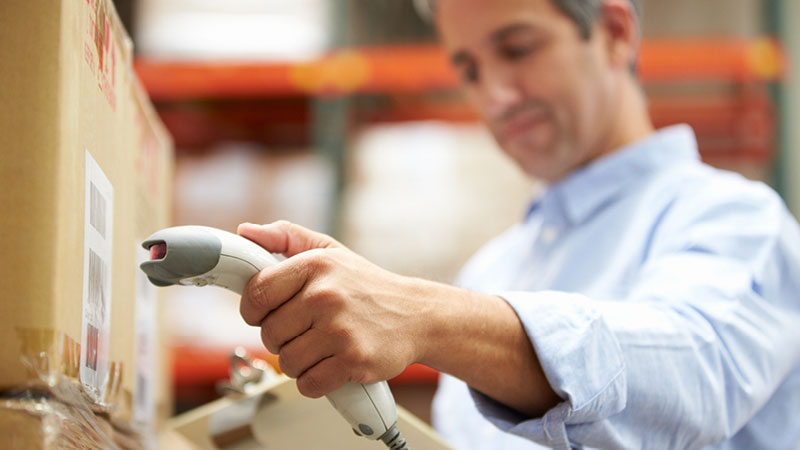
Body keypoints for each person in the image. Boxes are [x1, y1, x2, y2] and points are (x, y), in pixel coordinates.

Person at [236, 0, 800, 447]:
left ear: (614, 32)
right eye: (470, 70)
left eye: (518, 49)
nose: (497, 96)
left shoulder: (736, 221)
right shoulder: (493, 268)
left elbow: (694, 380)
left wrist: (423, 316)